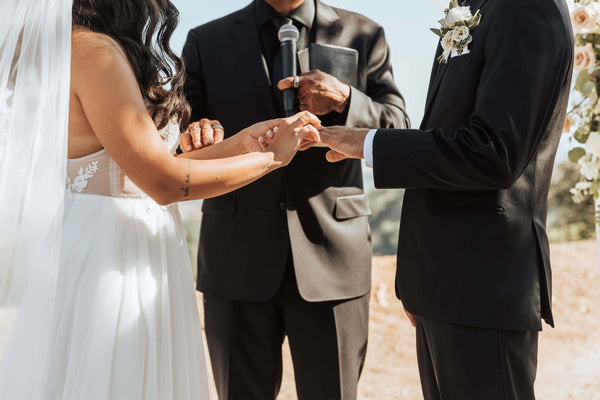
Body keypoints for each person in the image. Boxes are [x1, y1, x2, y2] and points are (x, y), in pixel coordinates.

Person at [0, 0, 320, 398]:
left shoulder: (78, 46)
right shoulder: (95, 52)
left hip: (107, 240)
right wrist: (272, 158)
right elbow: (163, 183)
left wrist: (245, 142)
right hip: (115, 258)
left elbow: (137, 167)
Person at [313, 0, 574, 398]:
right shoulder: (476, 8)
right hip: (444, 284)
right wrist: (421, 278)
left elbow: (492, 152)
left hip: (485, 288)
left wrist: (368, 142)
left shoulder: (526, 7)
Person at [181, 0, 409, 399]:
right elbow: (181, 136)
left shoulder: (365, 33)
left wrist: (345, 99)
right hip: (235, 259)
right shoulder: (206, 41)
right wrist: (195, 130)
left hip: (335, 259)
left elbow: (399, 128)